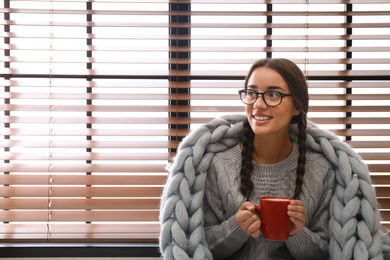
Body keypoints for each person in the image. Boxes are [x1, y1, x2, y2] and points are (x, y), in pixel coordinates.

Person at [202, 58, 335, 259]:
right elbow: (199, 248)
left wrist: (297, 233)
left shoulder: (322, 169)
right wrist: (235, 228)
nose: (258, 104)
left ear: (297, 107)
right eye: (252, 93)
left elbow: (330, 253)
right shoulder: (218, 165)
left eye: (273, 95)